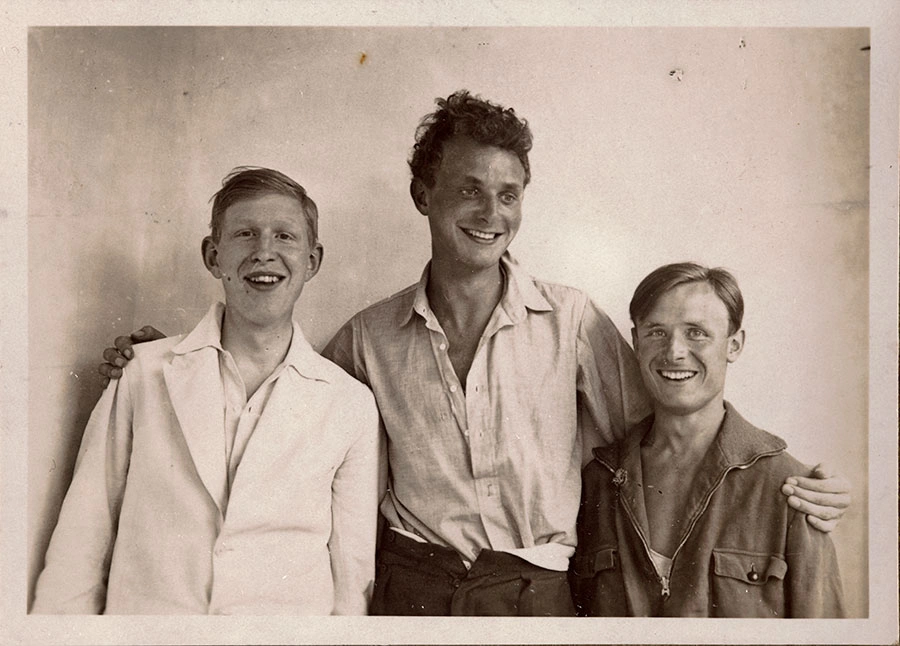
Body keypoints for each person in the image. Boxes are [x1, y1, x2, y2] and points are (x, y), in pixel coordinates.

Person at [97, 91, 850, 616]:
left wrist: (791, 483)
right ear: (424, 193)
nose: (491, 214)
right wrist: (179, 355)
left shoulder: (570, 320)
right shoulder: (367, 337)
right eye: (469, 190)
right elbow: (287, 400)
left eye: (510, 193)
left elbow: (669, 433)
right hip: (410, 595)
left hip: (539, 599)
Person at [33, 167, 381, 615]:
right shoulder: (143, 372)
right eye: (245, 234)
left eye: (285, 237)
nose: (264, 253)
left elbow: (352, 582)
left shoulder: (349, 405)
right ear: (213, 256)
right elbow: (83, 537)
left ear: (312, 261)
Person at [571, 263, 845, 617]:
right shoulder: (598, 481)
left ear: (734, 345)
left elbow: (828, 631)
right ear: (636, 343)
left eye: (696, 333)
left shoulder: (789, 489)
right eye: (656, 332)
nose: (674, 352)